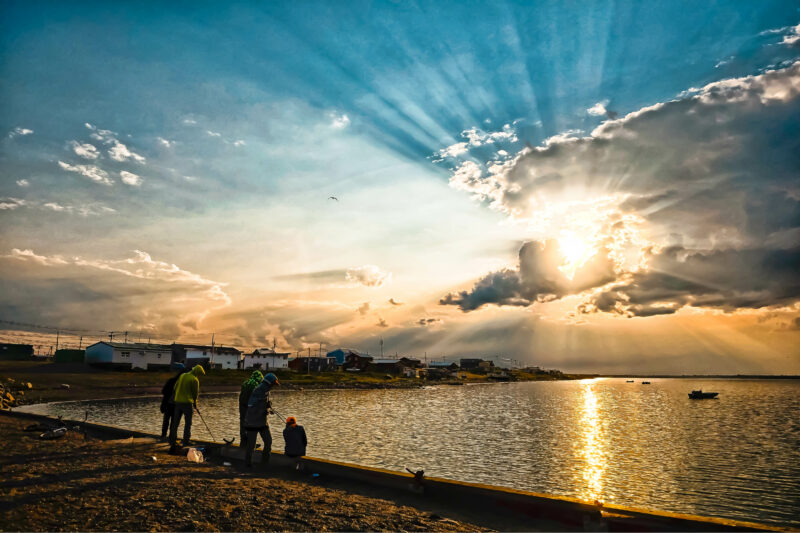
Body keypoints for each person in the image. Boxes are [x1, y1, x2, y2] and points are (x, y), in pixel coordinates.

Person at [243, 372, 279, 467]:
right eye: (273, 384)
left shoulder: (267, 391)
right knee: (251, 445)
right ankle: (248, 464)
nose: (273, 386)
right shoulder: (258, 390)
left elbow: (264, 404)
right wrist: (264, 411)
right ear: (268, 383)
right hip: (252, 422)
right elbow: (251, 406)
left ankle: (265, 462)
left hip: (262, 422)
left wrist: (268, 406)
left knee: (268, 441)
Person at [168, 364, 205, 452]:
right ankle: (186, 441)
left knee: (175, 422)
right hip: (187, 403)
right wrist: (195, 403)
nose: (198, 376)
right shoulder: (194, 379)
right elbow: (195, 394)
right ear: (197, 372)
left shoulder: (182, 375)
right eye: (199, 374)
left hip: (178, 402)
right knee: (188, 422)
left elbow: (175, 387)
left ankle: (172, 440)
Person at [238, 370, 263, 447]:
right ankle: (251, 443)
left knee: (243, 424)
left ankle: (243, 442)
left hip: (242, 406)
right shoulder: (256, 384)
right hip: (250, 407)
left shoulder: (245, 382)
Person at [159, 365, 185, 440]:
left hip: (168, 404)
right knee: (174, 422)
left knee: (166, 421)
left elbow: (163, 391)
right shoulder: (183, 384)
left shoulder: (171, 380)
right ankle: (172, 436)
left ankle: (163, 435)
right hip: (177, 406)